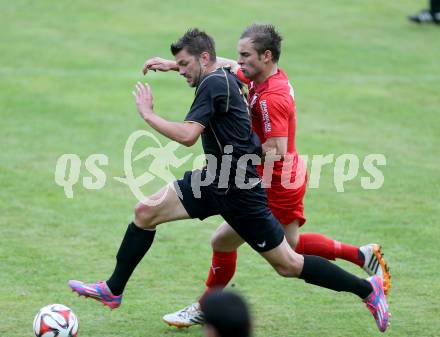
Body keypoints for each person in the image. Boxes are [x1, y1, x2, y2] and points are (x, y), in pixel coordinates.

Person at [68, 28, 389, 333]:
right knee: (146, 212)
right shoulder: (233, 75)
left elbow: (190, 136)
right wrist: (175, 64)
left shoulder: (236, 89)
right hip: (214, 178)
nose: (240, 60)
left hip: (242, 189)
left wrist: (148, 114)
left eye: (185, 64)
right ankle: (113, 289)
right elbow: (229, 64)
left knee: (288, 262)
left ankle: (366, 287)